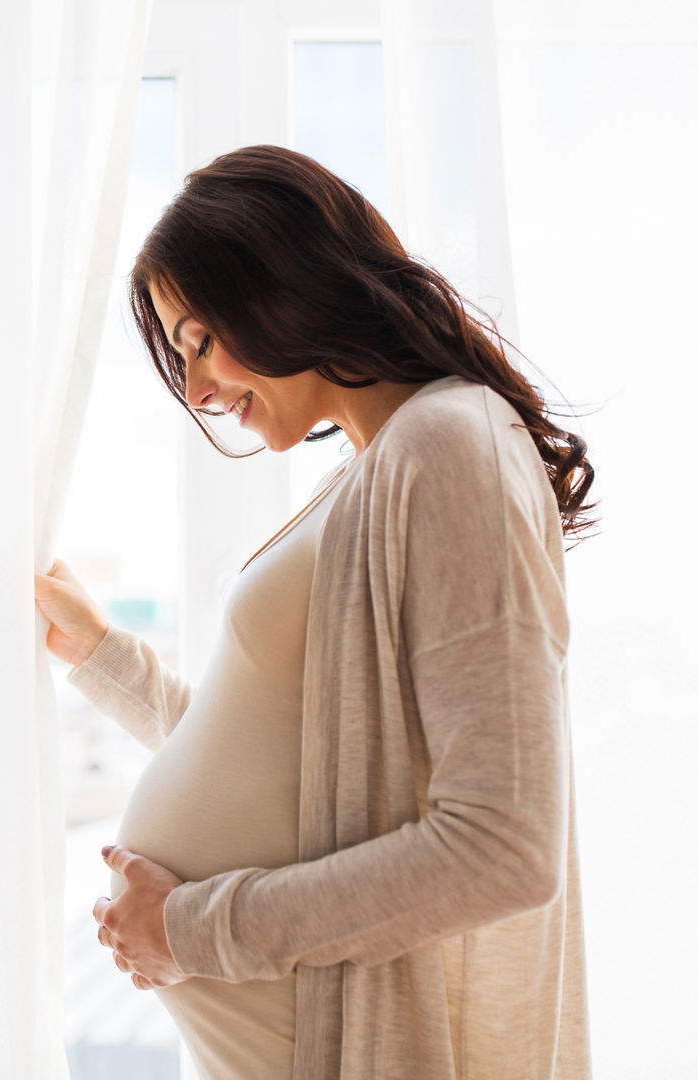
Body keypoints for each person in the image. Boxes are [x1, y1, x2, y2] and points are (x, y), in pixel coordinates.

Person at [34, 144, 598, 1079]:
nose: (200, 393)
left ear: (282, 281)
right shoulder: (381, 469)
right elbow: (303, 770)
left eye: (199, 341)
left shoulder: (450, 447)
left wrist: (189, 931)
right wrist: (99, 656)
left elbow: (504, 847)